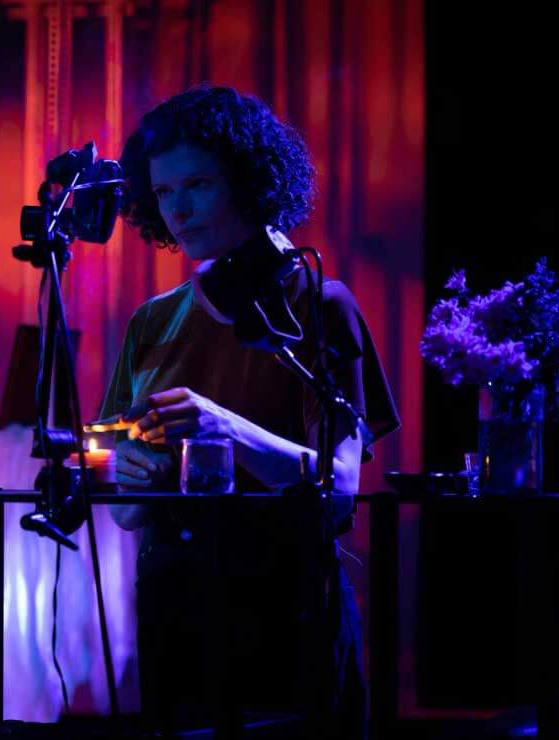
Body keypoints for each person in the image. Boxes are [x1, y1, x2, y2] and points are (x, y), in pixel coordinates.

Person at [98, 85, 400, 736]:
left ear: (247, 177)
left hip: (285, 611)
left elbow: (338, 489)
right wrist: (136, 479)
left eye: (198, 184)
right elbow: (122, 508)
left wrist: (221, 427)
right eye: (165, 192)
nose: (178, 208)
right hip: (174, 612)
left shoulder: (322, 303)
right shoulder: (152, 322)